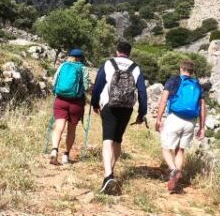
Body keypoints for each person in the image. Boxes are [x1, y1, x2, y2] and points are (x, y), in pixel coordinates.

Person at [90, 41, 147, 194]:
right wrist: (142, 113)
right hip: (127, 108)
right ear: (130, 52)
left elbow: (98, 85)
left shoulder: (109, 64)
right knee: (117, 140)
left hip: (109, 105)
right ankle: (110, 173)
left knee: (107, 140)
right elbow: (142, 92)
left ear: (117, 51)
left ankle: (108, 175)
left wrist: (94, 103)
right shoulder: (135, 68)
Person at [154, 58, 206, 194]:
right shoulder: (197, 85)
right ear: (192, 71)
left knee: (165, 148)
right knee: (180, 150)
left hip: (175, 118)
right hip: (190, 122)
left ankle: (173, 170)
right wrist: (201, 127)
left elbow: (164, 99)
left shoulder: (174, 80)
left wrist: (159, 119)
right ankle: (175, 181)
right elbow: (202, 107)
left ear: (181, 69)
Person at [49, 48, 90, 165]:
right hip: (76, 103)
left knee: (58, 127)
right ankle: (66, 155)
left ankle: (54, 150)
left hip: (60, 100)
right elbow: (86, 87)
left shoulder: (63, 66)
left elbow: (54, 81)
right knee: (71, 130)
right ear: (81, 58)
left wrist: (55, 93)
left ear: (70, 56)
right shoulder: (83, 68)